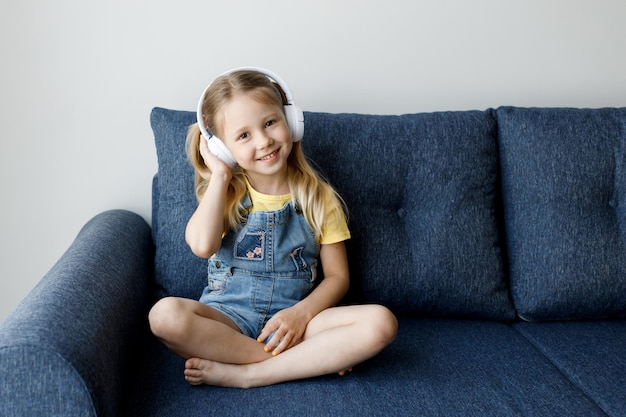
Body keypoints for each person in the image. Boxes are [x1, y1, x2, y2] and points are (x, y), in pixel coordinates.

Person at [148, 69, 398, 388]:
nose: (264, 140)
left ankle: (249, 374)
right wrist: (221, 176)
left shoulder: (318, 198)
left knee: (380, 322)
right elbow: (201, 245)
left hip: (294, 323)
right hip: (228, 320)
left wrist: (301, 315)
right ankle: (307, 360)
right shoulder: (225, 195)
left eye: (270, 123)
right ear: (222, 148)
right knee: (163, 315)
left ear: (290, 121)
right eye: (243, 135)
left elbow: (338, 277)